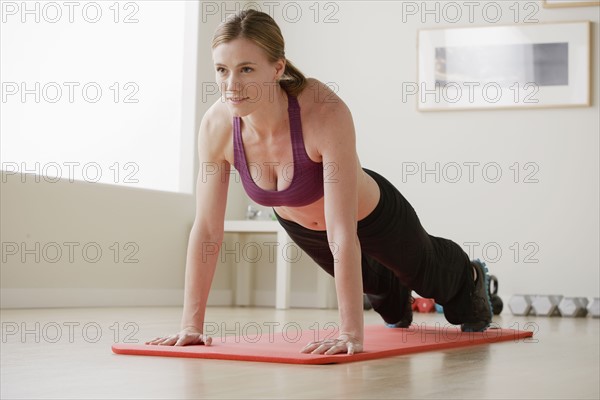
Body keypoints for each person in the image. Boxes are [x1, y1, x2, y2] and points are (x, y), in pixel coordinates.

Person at [146, 9, 493, 356]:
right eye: (222, 70)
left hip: (373, 214)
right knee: (384, 297)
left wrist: (350, 333)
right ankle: (394, 294)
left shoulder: (322, 110)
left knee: (429, 276)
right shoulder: (216, 127)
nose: (231, 86)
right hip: (306, 228)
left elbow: (342, 230)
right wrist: (191, 326)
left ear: (277, 68)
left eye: (246, 69)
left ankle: (471, 277)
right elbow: (207, 229)